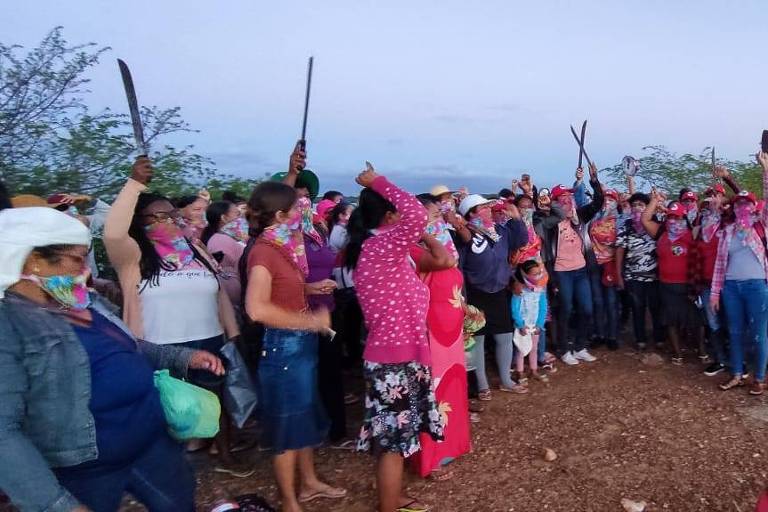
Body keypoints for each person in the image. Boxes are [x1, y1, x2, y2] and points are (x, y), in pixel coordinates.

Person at [0, 206, 224, 512]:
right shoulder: (9, 325)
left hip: (152, 444)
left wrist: (181, 357)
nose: (86, 270)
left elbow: (126, 347)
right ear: (34, 262)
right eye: (76, 259)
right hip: (87, 469)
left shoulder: (79, 301)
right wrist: (56, 504)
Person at [103, 157, 244, 473]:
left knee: (215, 400)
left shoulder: (193, 250)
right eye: (157, 216)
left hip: (209, 337)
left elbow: (217, 291)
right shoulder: (133, 256)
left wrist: (232, 334)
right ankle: (168, 466)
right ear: (140, 221)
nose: (167, 221)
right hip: (159, 344)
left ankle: (223, 454)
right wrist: (134, 183)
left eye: (171, 214)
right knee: (169, 406)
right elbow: (112, 233)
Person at [346, 164, 444, 512]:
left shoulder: (386, 249)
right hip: (393, 360)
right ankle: (389, 505)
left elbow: (440, 258)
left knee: (399, 434)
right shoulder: (380, 247)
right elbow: (417, 215)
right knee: (392, 440)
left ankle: (395, 495)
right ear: (390, 216)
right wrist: (378, 182)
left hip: (402, 356)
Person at [244, 180, 346, 512]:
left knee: (303, 416)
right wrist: (310, 322)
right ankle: (290, 501)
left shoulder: (282, 244)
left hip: (298, 345)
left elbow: (283, 287)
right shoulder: (263, 251)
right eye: (297, 206)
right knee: (288, 427)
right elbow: (256, 308)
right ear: (279, 214)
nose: (304, 210)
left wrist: (310, 288)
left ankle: (309, 483)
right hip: (283, 347)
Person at [410, 195, 470, 481]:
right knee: (432, 392)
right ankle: (430, 457)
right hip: (429, 332)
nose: (437, 219)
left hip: (450, 333)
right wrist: (421, 231)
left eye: (437, 214)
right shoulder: (412, 249)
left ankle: (453, 444)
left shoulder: (441, 242)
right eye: (431, 215)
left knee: (452, 386)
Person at [456, 192, 530, 398]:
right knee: (477, 340)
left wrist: (516, 218)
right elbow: (459, 265)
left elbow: (521, 240)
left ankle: (506, 379)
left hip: (499, 290)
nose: (488, 209)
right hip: (476, 292)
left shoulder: (500, 230)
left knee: (504, 336)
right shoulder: (465, 234)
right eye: (482, 208)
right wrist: (462, 296)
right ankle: (482, 386)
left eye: (488, 206)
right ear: (471, 214)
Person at [711, 152, 768, 395]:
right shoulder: (728, 231)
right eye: (739, 203)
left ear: (754, 207)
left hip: (757, 286)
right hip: (731, 288)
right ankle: (736, 373)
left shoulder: (761, 223)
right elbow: (719, 265)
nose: (743, 206)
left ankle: (760, 378)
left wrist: (765, 169)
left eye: (747, 203)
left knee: (759, 333)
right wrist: (714, 293)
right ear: (734, 208)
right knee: (734, 331)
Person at [544, 163, 603, 365]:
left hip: (580, 270)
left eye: (569, 197)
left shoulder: (579, 217)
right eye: (562, 198)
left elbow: (598, 202)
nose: (568, 200)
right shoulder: (549, 223)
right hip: (561, 272)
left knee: (586, 308)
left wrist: (593, 181)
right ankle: (563, 348)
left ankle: (580, 346)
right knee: (566, 310)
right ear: (555, 203)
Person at [641, 196, 701, 364]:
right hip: (666, 285)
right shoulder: (661, 232)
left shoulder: (693, 234)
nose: (674, 220)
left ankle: (701, 351)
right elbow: (645, 219)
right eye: (671, 217)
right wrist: (655, 200)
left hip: (688, 286)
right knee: (671, 320)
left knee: (696, 320)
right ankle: (678, 354)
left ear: (684, 217)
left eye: (678, 217)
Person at [615, 192, 664, 351]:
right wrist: (619, 275)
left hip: (654, 276)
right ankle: (640, 338)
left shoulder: (656, 224)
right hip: (633, 275)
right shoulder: (626, 226)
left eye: (641, 205)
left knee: (656, 308)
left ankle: (659, 337)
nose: (637, 208)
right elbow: (620, 250)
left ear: (647, 207)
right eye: (634, 205)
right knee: (637, 307)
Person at [588, 188, 621, 350]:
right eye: (605, 199)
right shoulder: (593, 218)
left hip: (611, 264)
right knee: (597, 301)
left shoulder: (620, 220)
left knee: (611, 302)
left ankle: (612, 336)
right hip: (594, 264)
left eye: (611, 199)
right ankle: (598, 334)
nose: (607, 202)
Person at [202, 200, 248, 314]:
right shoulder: (219, 240)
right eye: (237, 214)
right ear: (224, 218)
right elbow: (226, 276)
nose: (242, 217)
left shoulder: (234, 238)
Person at [511, 259, 549, 383]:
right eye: (534, 274)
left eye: (539, 273)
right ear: (525, 275)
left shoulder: (540, 290)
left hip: (534, 325)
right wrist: (520, 324)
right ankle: (520, 372)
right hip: (522, 326)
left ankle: (534, 370)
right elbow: (514, 308)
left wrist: (540, 324)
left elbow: (543, 307)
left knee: (534, 348)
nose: (538, 276)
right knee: (521, 349)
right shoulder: (519, 290)